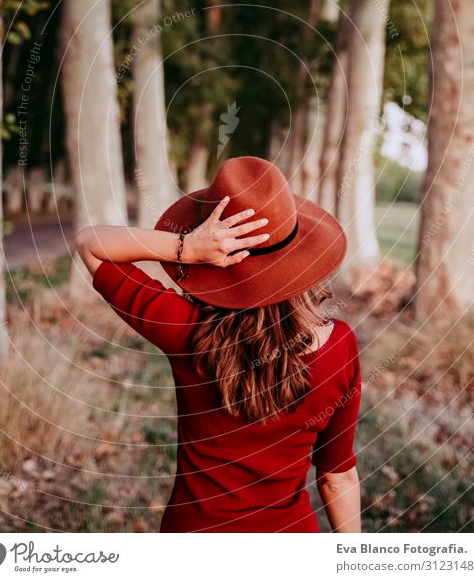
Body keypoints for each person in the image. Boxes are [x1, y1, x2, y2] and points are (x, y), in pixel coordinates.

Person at [76, 156, 362, 533]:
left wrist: (186, 248)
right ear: (300, 256)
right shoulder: (339, 346)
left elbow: (90, 243)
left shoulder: (184, 330)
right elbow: (335, 477)